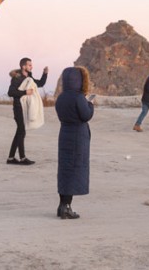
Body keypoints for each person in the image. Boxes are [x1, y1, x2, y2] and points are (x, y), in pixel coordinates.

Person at [55, 66, 95, 220]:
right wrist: (90, 104)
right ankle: (67, 207)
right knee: (75, 170)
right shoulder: (78, 98)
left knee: (65, 170)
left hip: (64, 134)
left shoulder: (61, 97)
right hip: (78, 136)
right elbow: (85, 115)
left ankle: (61, 206)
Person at [7, 57, 48, 165]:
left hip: (25, 108)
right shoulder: (17, 77)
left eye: (31, 65)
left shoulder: (28, 76)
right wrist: (25, 92)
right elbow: (10, 92)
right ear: (23, 66)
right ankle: (22, 158)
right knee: (21, 131)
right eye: (29, 65)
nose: (31, 66)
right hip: (18, 107)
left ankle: (11, 158)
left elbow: (40, 84)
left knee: (19, 132)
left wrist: (45, 73)